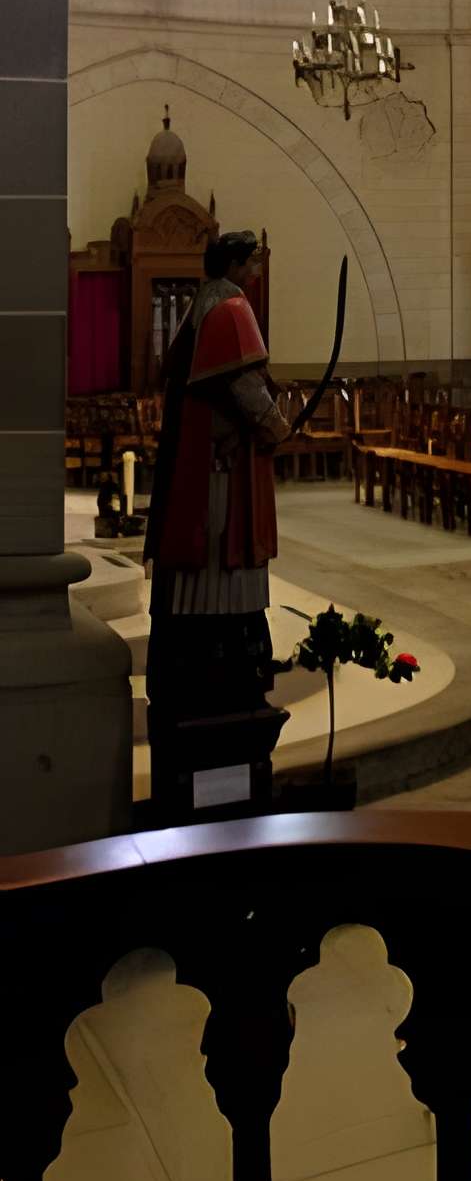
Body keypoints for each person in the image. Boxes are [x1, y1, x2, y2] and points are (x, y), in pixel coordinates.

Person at [142, 231, 289, 801]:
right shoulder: (230, 307)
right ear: (234, 263)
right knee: (223, 556)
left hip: (195, 464)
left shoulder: (199, 305)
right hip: (220, 472)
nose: (258, 271)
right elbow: (245, 386)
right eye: (254, 262)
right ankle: (229, 657)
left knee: (194, 562)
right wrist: (276, 427)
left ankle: (196, 652)